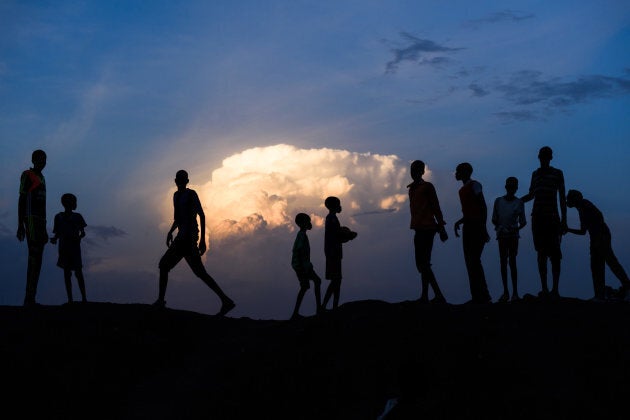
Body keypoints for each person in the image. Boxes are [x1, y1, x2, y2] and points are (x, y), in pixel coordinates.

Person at [154, 170, 235, 316]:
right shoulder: (176, 196)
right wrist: (170, 231)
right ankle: (225, 300)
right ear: (175, 180)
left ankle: (160, 301)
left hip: (189, 238)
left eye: (182, 179)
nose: (180, 181)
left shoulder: (191, 195)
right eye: (179, 179)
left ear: (187, 181)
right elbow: (177, 219)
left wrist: (202, 240)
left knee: (166, 266)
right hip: (181, 238)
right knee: (195, 272)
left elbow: (201, 215)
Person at [564, 189, 630, 301]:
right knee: (597, 266)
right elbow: (583, 231)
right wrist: (568, 230)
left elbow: (599, 217)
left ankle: (627, 287)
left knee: (610, 262)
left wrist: (598, 238)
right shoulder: (581, 209)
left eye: (569, 198)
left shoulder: (585, 204)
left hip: (601, 236)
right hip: (595, 238)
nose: (568, 201)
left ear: (575, 198)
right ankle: (599, 294)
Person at [521, 146, 567, 299]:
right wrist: (517, 201)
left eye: (546, 156)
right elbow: (531, 194)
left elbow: (562, 197)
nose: (544, 159)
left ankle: (555, 289)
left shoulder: (557, 173)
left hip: (552, 217)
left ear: (550, 158)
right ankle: (545, 289)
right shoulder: (535, 174)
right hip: (538, 218)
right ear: (539, 157)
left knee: (554, 254)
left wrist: (564, 221)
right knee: (541, 253)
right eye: (543, 156)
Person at [407, 160, 448, 304]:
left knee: (424, 264)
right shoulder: (411, 189)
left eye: (417, 170)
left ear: (422, 172)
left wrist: (442, 228)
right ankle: (425, 295)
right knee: (421, 264)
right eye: (412, 170)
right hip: (418, 229)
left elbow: (436, 207)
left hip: (428, 228)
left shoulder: (427, 187)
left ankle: (437, 295)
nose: (414, 172)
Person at [454, 162, 491, 304]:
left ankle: (483, 296)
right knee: (470, 262)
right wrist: (460, 221)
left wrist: (483, 228)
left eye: (458, 171)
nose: (456, 173)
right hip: (469, 226)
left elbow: (482, 206)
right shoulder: (462, 190)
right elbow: (471, 211)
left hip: (475, 227)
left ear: (465, 172)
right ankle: (477, 296)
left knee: (474, 261)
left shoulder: (475, 185)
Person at [17, 149, 48, 306]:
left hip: (41, 222)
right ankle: (28, 297)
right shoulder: (27, 175)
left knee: (39, 259)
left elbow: (43, 205)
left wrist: (45, 227)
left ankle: (32, 297)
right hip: (30, 219)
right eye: (41, 159)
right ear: (34, 159)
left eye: (45, 159)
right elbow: (22, 198)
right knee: (33, 257)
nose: (43, 162)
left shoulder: (42, 178)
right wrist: (20, 225)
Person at [491, 177, 527, 302]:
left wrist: (515, 230)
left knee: (511, 262)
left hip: (512, 236)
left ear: (515, 189)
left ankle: (514, 292)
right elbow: (494, 219)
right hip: (502, 235)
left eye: (513, 187)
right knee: (503, 262)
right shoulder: (498, 201)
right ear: (507, 188)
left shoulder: (519, 203)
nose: (511, 189)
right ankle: (506, 291)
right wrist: (500, 227)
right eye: (510, 187)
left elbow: (523, 222)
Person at [50, 193, 88, 303]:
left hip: (74, 247)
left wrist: (79, 237)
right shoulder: (58, 217)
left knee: (77, 273)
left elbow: (83, 232)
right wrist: (54, 239)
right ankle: (71, 299)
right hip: (65, 248)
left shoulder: (77, 217)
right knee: (68, 273)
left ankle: (83, 298)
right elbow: (58, 233)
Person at [321, 196, 357, 311]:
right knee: (336, 280)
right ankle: (325, 306)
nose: (340, 206)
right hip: (333, 253)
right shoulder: (331, 219)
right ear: (333, 206)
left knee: (337, 280)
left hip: (334, 252)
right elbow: (335, 236)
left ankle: (333, 305)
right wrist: (348, 236)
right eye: (338, 204)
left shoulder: (332, 218)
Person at [290, 213, 322, 320]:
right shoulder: (302, 235)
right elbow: (298, 251)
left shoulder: (302, 235)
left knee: (305, 287)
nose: (309, 223)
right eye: (307, 221)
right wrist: (304, 267)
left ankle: (295, 313)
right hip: (302, 266)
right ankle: (319, 309)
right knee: (316, 281)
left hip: (301, 265)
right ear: (302, 223)